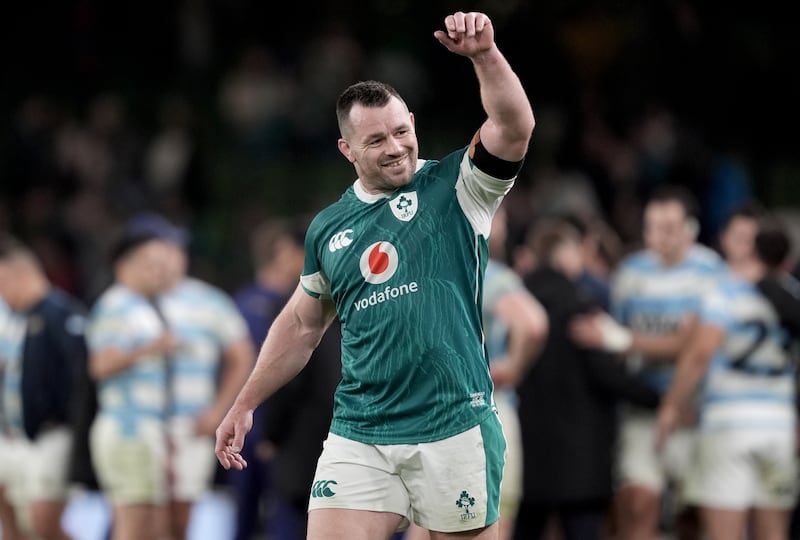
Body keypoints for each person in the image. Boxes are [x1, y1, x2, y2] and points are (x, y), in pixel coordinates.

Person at [215, 10, 535, 540]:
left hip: (453, 421)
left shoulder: (457, 187)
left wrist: (484, 56)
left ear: (413, 122)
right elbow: (301, 324)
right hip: (362, 428)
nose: (395, 147)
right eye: (376, 141)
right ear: (347, 150)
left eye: (401, 131)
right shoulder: (328, 228)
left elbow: (514, 127)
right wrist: (245, 402)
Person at [569, 184, 726, 540]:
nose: (660, 236)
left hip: (696, 410)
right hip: (641, 408)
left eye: (670, 227)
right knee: (637, 501)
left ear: (691, 229)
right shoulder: (631, 272)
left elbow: (695, 344)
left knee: (693, 515)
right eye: (652, 226)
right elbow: (618, 343)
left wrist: (627, 340)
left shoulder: (710, 271)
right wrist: (623, 342)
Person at [513, 218, 661, 540]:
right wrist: (659, 399)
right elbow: (610, 376)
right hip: (581, 462)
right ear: (566, 255)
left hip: (525, 457)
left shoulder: (513, 304)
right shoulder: (580, 305)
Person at [656, 210, 800, 539]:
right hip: (778, 423)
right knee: (774, 533)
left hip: (728, 422)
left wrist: (671, 404)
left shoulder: (723, 291)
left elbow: (700, 354)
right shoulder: (792, 293)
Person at [124, 212, 255, 540]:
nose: (173, 257)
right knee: (137, 521)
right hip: (137, 428)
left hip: (190, 427)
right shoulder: (125, 299)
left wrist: (217, 411)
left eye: (176, 249)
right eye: (164, 249)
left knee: (178, 522)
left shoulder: (209, 300)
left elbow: (241, 357)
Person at [85, 228, 176, 540]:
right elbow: (100, 364)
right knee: (133, 526)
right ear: (125, 267)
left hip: (142, 428)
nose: (159, 271)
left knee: (149, 525)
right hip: (128, 427)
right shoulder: (116, 305)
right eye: (150, 264)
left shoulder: (140, 306)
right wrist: (151, 347)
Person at [0, 235, 89, 540]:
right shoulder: (15, 319)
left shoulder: (61, 313)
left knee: (43, 523)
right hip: (16, 434)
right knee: (17, 522)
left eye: (3, 283)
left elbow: (80, 378)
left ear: (21, 276)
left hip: (51, 432)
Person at [230, 218, 307, 540]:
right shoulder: (247, 303)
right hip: (251, 425)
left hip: (288, 429)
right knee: (249, 515)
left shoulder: (312, 305)